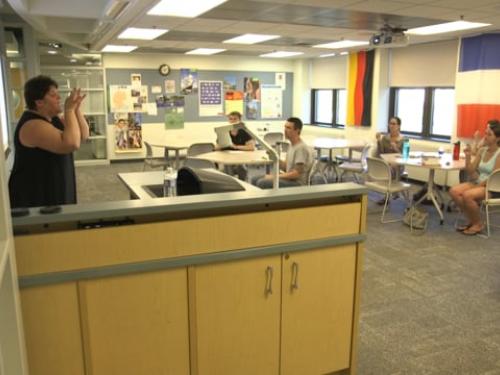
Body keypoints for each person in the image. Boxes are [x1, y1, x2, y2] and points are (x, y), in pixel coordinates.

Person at [8, 75, 89, 208]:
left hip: (56, 187)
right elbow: (71, 144)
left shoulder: (53, 119)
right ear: (39, 102)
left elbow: (83, 135)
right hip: (36, 198)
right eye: (53, 95)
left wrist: (76, 109)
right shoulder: (32, 125)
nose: (59, 98)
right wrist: (68, 110)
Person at [449, 119, 500, 235]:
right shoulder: (482, 150)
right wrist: (467, 157)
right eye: (485, 133)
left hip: (492, 187)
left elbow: (494, 176)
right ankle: (473, 220)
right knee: (454, 191)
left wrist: (476, 186)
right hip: (479, 183)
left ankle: (477, 224)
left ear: (497, 138)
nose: (485, 136)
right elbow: (471, 171)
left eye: (489, 134)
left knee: (467, 195)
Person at [253, 117, 313, 189]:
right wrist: (274, 157)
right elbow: (286, 167)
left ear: (297, 130)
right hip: (290, 179)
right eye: (285, 127)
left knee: (262, 182)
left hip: (297, 184)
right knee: (254, 179)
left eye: (288, 128)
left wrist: (274, 176)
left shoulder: (301, 148)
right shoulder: (291, 145)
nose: (285, 130)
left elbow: (296, 174)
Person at [216, 111, 255, 180]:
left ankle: (242, 182)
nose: (232, 121)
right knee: (227, 165)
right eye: (231, 119)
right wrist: (221, 146)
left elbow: (251, 147)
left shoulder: (244, 132)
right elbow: (216, 147)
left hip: (240, 157)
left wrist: (236, 147)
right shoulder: (224, 132)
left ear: (239, 120)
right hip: (227, 157)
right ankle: (231, 181)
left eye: (235, 119)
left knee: (241, 167)